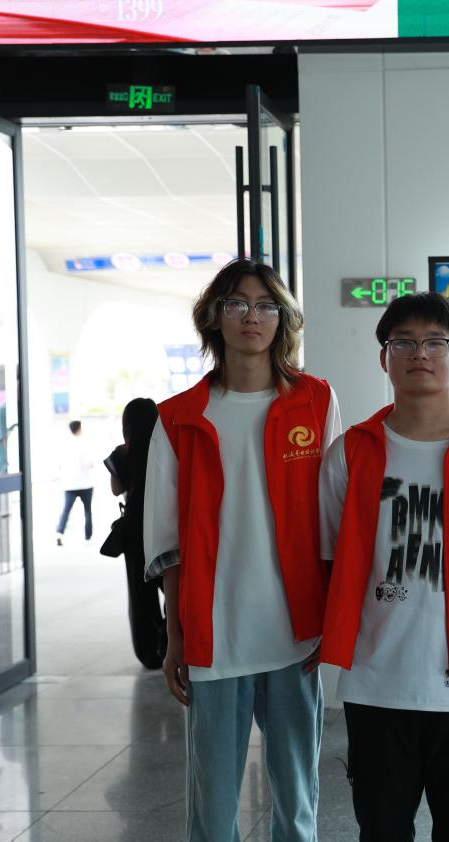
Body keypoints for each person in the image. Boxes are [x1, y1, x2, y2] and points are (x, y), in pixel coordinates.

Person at [318, 291, 449, 842]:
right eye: (404, 343)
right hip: (376, 684)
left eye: (436, 342)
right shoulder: (350, 452)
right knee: (382, 831)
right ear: (384, 358)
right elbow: (332, 559)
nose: (420, 353)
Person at [143, 258, 341, 842]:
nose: (251, 317)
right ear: (214, 317)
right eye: (236, 304)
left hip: (294, 636)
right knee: (212, 812)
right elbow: (168, 545)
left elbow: (336, 520)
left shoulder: (316, 401)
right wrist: (176, 637)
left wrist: (332, 619)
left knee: (298, 804)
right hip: (216, 638)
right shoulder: (178, 418)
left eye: (265, 305)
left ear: (283, 318)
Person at [104, 397, 165, 670]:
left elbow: (116, 490)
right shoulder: (165, 448)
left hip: (134, 531)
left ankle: (149, 652)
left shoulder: (122, 453)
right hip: (163, 527)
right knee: (173, 588)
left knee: (141, 595)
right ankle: (171, 640)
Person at [56, 419, 94, 546]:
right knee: (87, 511)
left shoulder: (64, 445)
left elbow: (60, 465)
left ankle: (59, 533)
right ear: (79, 429)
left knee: (66, 510)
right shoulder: (83, 444)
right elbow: (88, 464)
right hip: (85, 484)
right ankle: (87, 538)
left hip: (69, 484)